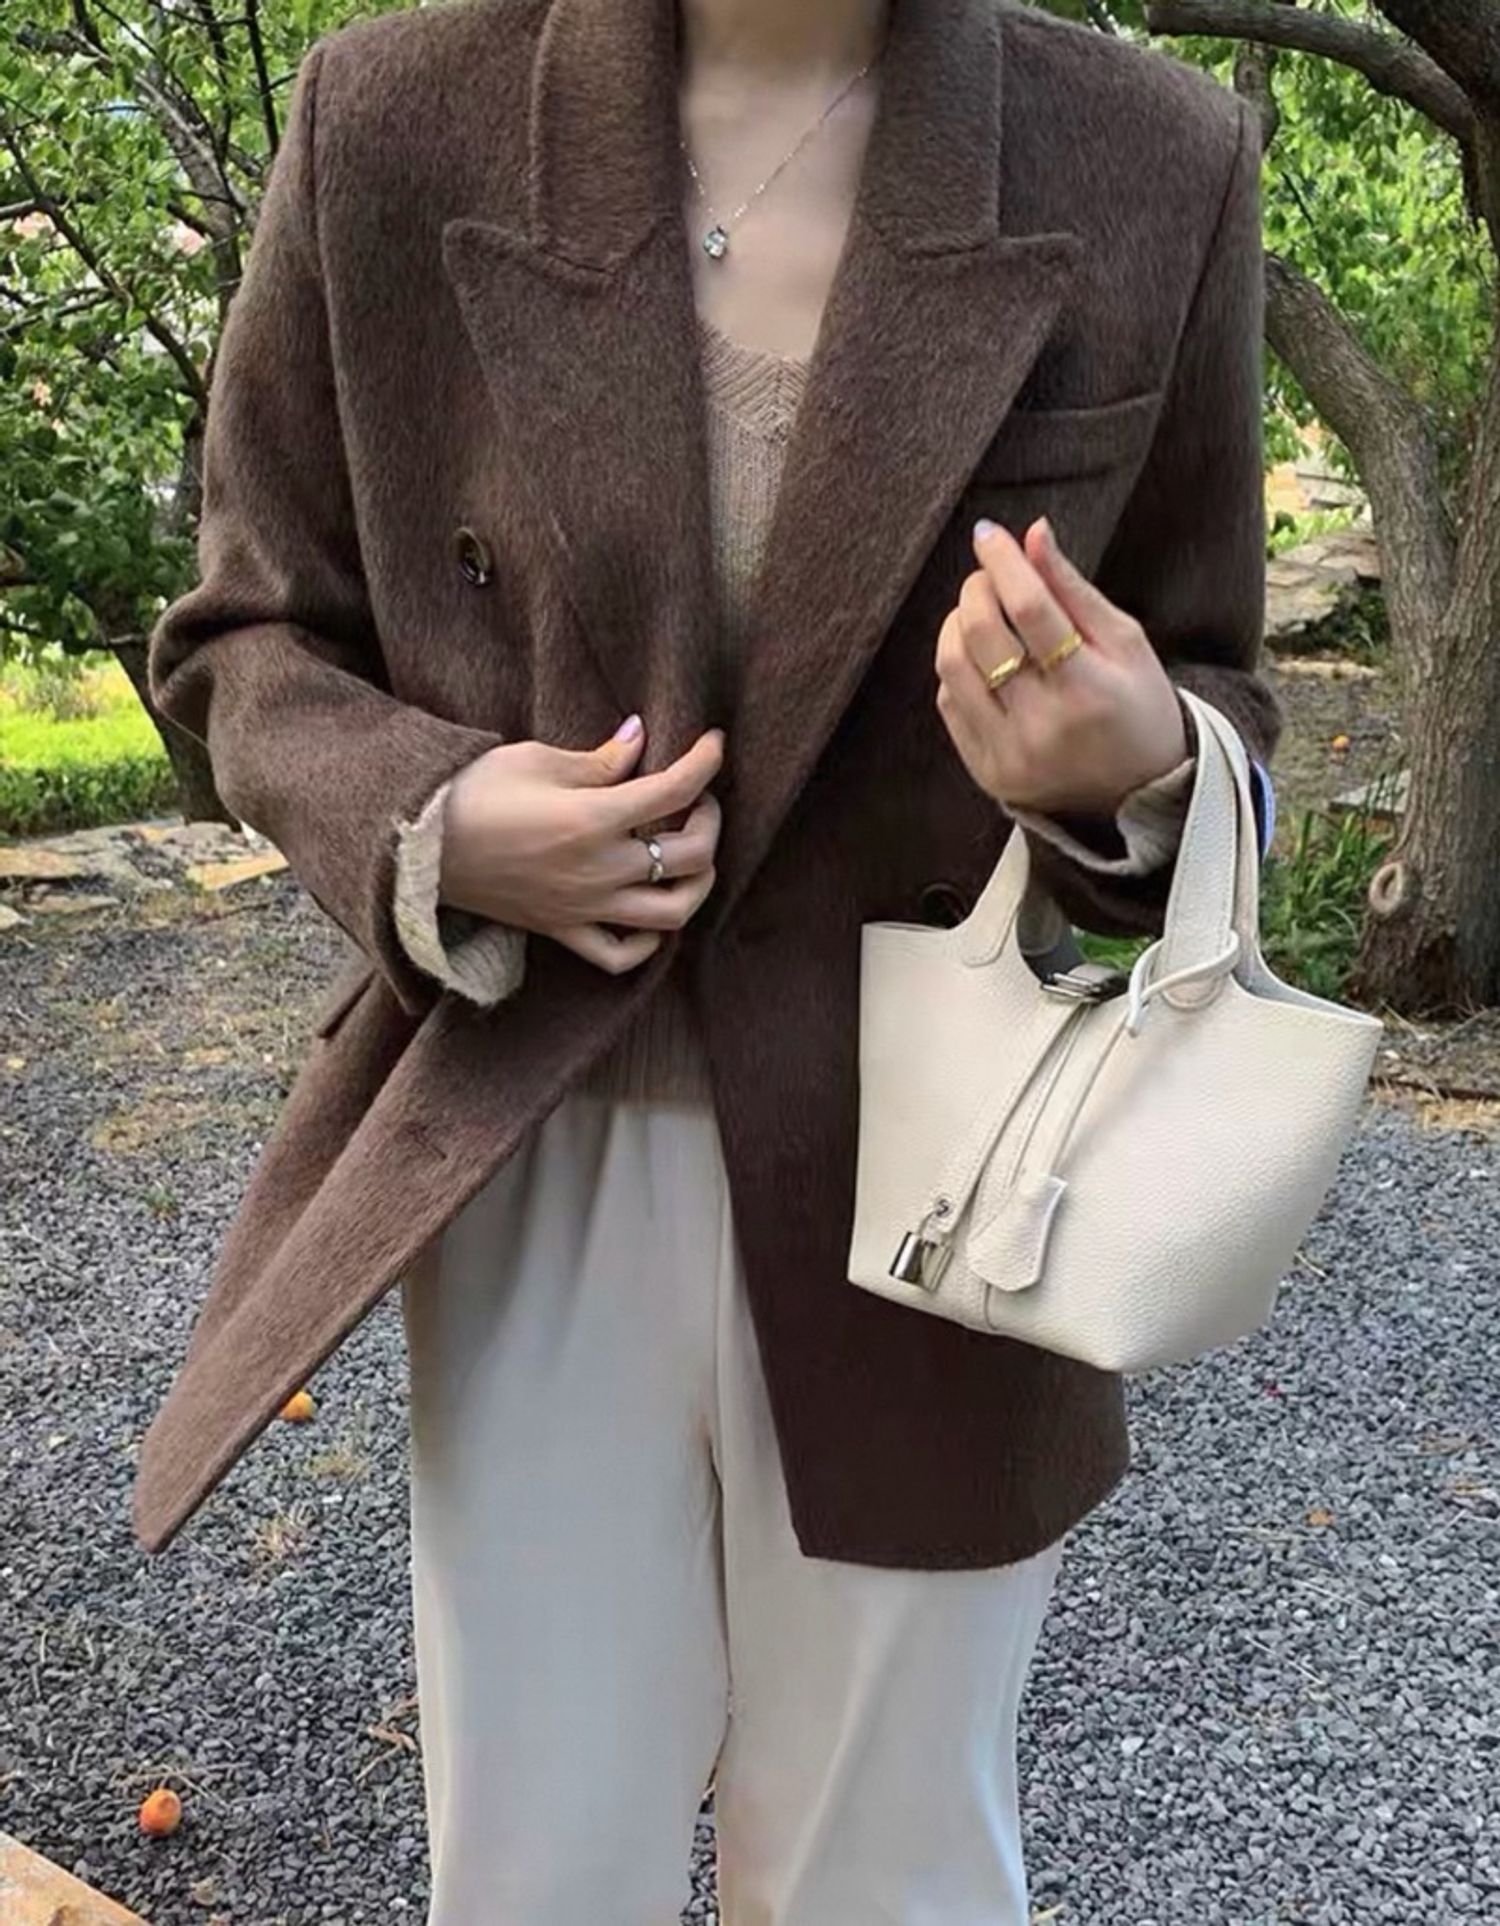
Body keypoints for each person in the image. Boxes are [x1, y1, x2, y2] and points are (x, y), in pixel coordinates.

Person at [137, 0, 1280, 1917]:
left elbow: (1215, 678)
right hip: (532, 1142)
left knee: (892, 1874)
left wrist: (1140, 760)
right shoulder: (392, 124)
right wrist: (436, 820)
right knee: (537, 1867)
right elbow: (246, 633)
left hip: (943, 1184)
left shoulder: (1151, 156)